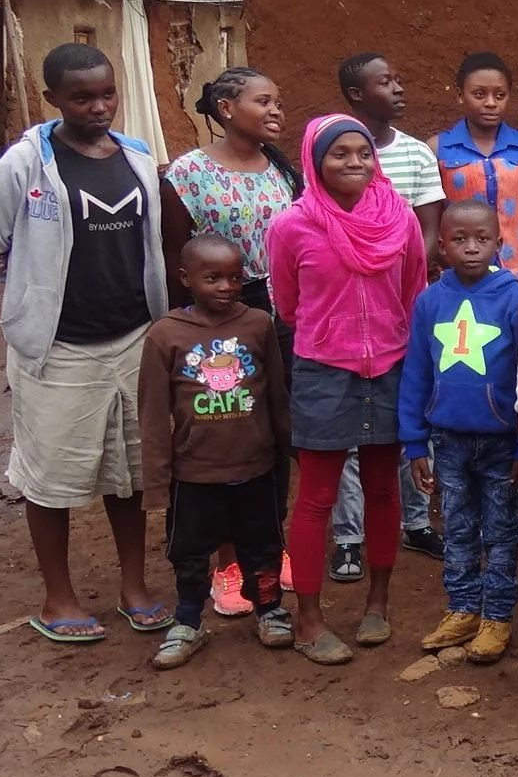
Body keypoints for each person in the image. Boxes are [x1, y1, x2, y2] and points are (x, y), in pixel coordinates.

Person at [0, 43, 170, 642]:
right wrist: (33, 283)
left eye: (107, 94)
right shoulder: (26, 164)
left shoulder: (133, 157)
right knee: (51, 477)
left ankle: (134, 588)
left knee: (127, 474)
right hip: (58, 349)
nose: (98, 107)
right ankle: (59, 599)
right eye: (82, 98)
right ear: (52, 97)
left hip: (133, 337)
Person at [266, 114, 429, 664]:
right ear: (314, 159)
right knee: (316, 497)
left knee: (385, 490)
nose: (354, 162)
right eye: (339, 154)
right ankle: (309, 621)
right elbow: (287, 305)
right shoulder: (291, 225)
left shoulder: (400, 218)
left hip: (390, 367)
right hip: (323, 372)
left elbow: (413, 292)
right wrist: (335, 336)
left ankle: (376, 604)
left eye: (363, 152)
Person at [159, 66, 301, 615]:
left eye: (279, 103)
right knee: (226, 426)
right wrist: (196, 326)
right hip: (216, 314)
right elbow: (179, 259)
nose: (276, 112)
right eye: (263, 101)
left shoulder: (283, 172)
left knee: (272, 426)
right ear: (224, 109)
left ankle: (269, 544)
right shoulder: (188, 173)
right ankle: (228, 561)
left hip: (280, 310)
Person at [138, 234, 292, 668]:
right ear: (186, 279)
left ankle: (269, 610)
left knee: (262, 548)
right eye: (213, 278)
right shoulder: (165, 335)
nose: (227, 286)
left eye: (234, 277)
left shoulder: (258, 324)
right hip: (193, 473)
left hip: (256, 468)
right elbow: (152, 416)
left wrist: (285, 451)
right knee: (188, 552)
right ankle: (188, 621)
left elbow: (277, 396)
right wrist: (156, 482)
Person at [400, 200, 518, 665]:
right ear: (442, 245)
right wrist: (415, 442)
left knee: (500, 530)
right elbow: (415, 372)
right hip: (448, 442)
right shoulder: (430, 300)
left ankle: (497, 616)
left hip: (501, 441)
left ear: (499, 242)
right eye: (460, 239)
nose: (472, 248)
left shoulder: (514, 295)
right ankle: (462, 608)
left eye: (482, 239)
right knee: (455, 527)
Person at [332, 52, 445, 579]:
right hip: (349, 314)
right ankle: (350, 537)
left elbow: (426, 232)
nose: (399, 89)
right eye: (385, 82)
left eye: (398, 78)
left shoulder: (418, 155)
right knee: (351, 427)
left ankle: (417, 522)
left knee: (408, 414)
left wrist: (396, 280)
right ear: (356, 95)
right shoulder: (333, 153)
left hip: (403, 306)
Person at [430, 51, 518, 276]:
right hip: (460, 275)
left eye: (500, 95)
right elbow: (431, 223)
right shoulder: (438, 149)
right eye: (479, 94)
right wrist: (449, 266)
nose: (491, 103)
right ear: (460, 95)